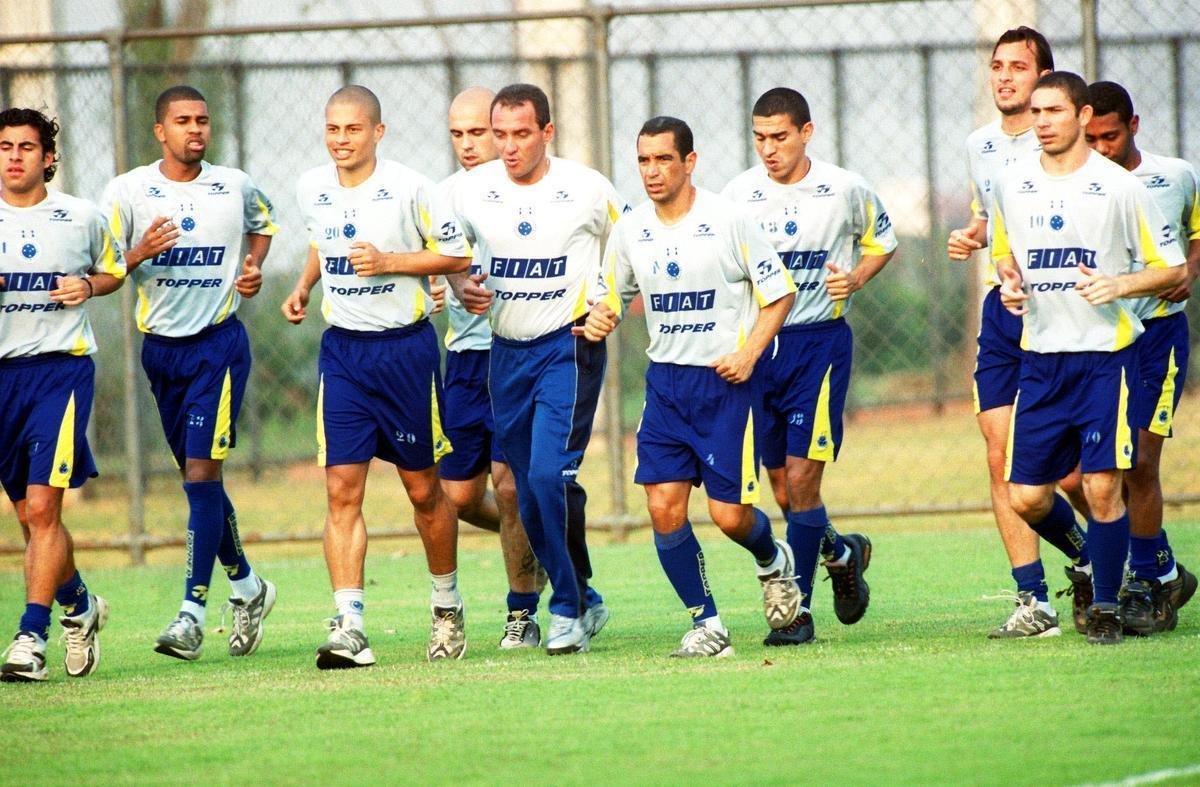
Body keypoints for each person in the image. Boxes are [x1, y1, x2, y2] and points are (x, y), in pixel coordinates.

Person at [578, 116, 799, 657]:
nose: (652, 172)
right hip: (667, 386)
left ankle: (774, 561)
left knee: (728, 517)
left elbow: (780, 293)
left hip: (725, 385)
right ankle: (707, 623)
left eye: (663, 160)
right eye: (643, 161)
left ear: (690, 162)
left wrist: (748, 354)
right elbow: (610, 294)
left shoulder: (727, 220)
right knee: (662, 507)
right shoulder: (632, 229)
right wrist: (603, 316)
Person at [992, 71, 1186, 645]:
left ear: (1081, 116)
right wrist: (1010, 285)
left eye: (1053, 110)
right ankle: (1093, 561)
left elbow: (1172, 268)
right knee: (1027, 495)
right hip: (1042, 360)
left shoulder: (1121, 187)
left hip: (1107, 359)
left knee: (1104, 487)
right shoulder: (1012, 183)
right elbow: (1008, 258)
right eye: (1035, 112)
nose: (1042, 121)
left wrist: (1120, 286)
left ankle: (1105, 605)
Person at [283, 85, 471, 665]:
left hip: (404, 355)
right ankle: (349, 623)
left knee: (422, 490)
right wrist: (305, 284)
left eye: (354, 129)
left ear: (377, 133)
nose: (342, 140)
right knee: (342, 489)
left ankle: (446, 605)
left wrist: (391, 262)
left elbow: (456, 254)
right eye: (333, 129)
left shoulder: (412, 188)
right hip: (343, 355)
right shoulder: (311, 186)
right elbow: (322, 238)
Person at [102, 85, 278, 661]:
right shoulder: (128, 191)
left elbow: (263, 224)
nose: (195, 129)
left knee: (202, 476)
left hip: (218, 347)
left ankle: (191, 614)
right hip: (161, 352)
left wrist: (251, 268)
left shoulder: (233, 183)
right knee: (199, 483)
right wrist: (137, 253)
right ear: (161, 131)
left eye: (202, 120)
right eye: (183, 121)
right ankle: (249, 588)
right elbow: (100, 269)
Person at [452, 83, 626, 655]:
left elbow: (632, 246)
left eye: (521, 134)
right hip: (505, 354)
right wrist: (460, 285)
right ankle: (587, 598)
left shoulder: (585, 188)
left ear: (546, 133)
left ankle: (567, 609)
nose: (507, 146)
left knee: (547, 476)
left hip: (567, 347)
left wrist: (610, 306)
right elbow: (449, 254)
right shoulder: (472, 192)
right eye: (498, 134)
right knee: (528, 493)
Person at [723, 87, 896, 645]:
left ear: (806, 133)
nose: (768, 149)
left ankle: (796, 613)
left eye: (779, 137)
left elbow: (882, 241)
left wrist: (857, 278)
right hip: (760, 350)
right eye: (759, 138)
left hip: (818, 348)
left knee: (801, 479)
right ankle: (842, 554)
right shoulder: (738, 195)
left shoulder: (844, 188)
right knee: (781, 489)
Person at [946, 28, 1093, 638]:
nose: (1004, 77)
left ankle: (1121, 557)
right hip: (1003, 312)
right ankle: (1033, 600)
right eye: (996, 66)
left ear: (1045, 79)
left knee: (1073, 474)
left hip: (1066, 313)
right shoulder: (980, 146)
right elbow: (994, 219)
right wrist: (973, 235)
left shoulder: (1064, 145)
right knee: (999, 451)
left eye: (1018, 67)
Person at [0, 108, 125, 681]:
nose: (15, 156)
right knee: (29, 517)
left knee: (46, 508)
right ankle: (80, 606)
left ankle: (31, 637)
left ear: (48, 157)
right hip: (4, 380)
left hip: (60, 372)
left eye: (27, 147)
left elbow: (114, 271)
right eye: (5, 147)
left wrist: (89, 285)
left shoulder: (81, 216)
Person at [1084, 80, 1198, 634]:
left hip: (1156, 336)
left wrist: (1190, 270)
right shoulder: (1080, 185)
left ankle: (1145, 585)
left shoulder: (1174, 175)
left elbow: (1194, 233)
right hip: (1098, 342)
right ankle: (1163, 567)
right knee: (1081, 475)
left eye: (1111, 135)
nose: (1102, 148)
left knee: (1140, 464)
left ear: (1134, 125)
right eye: (1092, 138)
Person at [435, 87, 547, 649]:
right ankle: (543, 544)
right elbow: (431, 260)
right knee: (456, 497)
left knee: (508, 489)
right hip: (462, 360)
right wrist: (434, 283)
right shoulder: (441, 197)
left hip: (516, 355)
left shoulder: (530, 189)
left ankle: (521, 614)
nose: (469, 145)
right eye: (458, 134)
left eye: (478, 132)